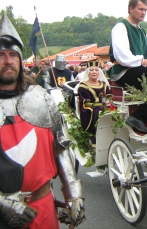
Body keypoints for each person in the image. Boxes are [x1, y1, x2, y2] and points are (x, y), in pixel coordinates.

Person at [0, 14, 85, 229]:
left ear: (20, 59)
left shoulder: (41, 98)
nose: (8, 61)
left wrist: (74, 194)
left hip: (43, 210)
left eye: (12, 54)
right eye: (1, 55)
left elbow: (62, 149)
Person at [107, 0, 147, 133]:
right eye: (140, 9)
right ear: (131, 9)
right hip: (122, 71)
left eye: (145, 10)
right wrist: (142, 61)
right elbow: (121, 55)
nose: (143, 12)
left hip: (138, 69)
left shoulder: (142, 31)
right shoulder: (121, 27)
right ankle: (138, 116)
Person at [75, 60, 112, 143]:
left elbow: (108, 96)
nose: (94, 72)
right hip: (90, 109)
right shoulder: (83, 86)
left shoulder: (103, 84)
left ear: (99, 72)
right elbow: (87, 102)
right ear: (88, 72)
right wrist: (101, 105)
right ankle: (95, 136)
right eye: (91, 70)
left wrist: (107, 101)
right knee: (97, 111)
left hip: (104, 106)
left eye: (96, 70)